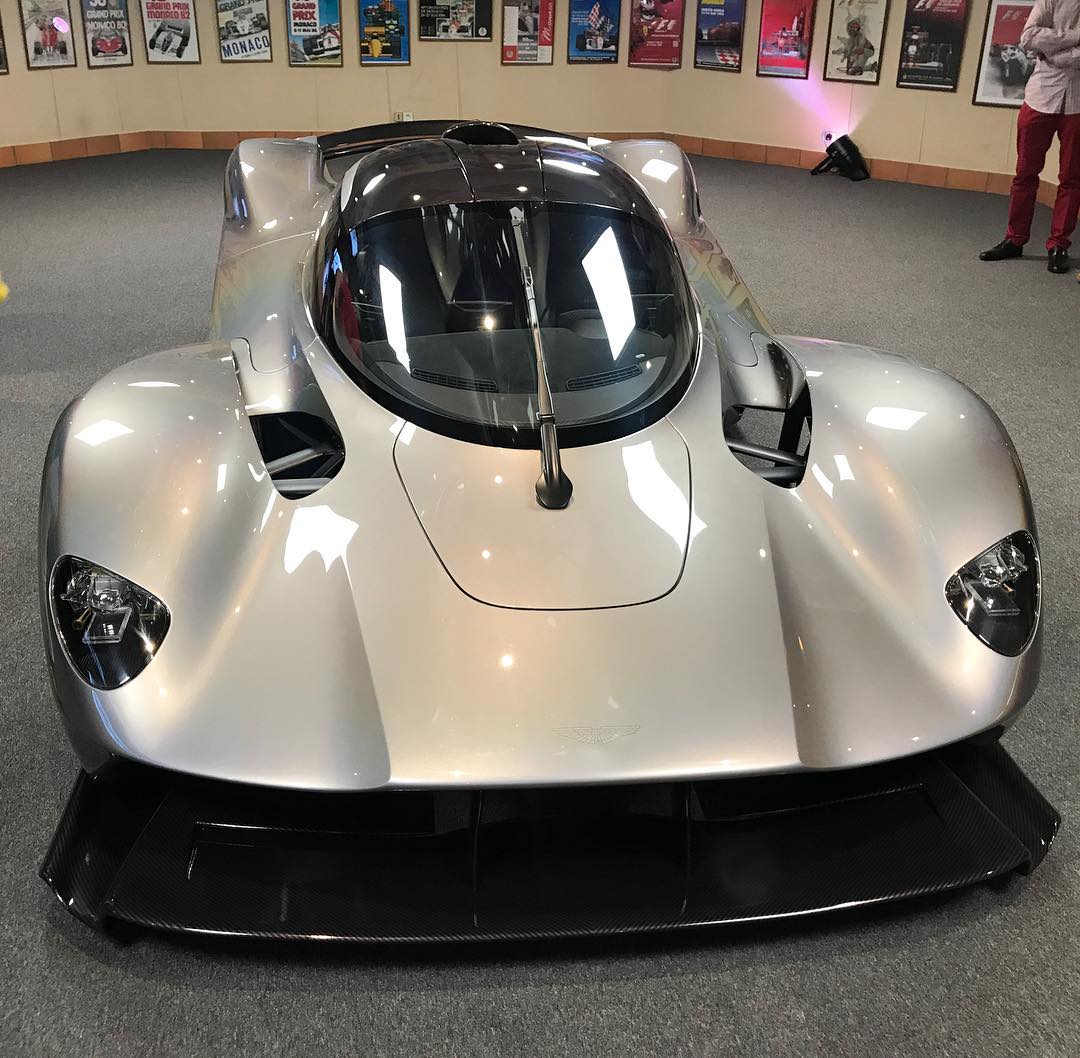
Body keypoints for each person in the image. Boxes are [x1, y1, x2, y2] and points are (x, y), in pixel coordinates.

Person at [980, 0, 1080, 274]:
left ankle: (1058, 244)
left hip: (1077, 105)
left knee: (1072, 179)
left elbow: (1047, 45)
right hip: (1039, 98)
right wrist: (1075, 38)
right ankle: (1015, 239)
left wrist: (1052, 52)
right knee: (1025, 173)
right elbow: (1028, 37)